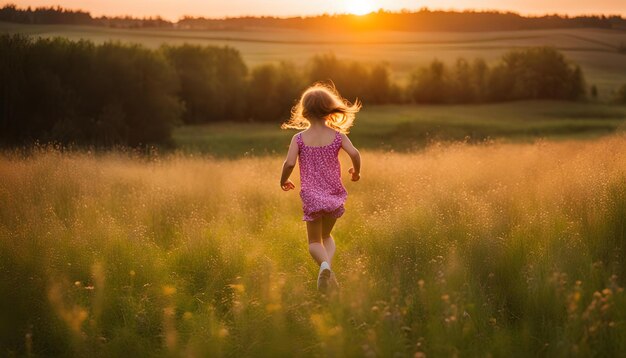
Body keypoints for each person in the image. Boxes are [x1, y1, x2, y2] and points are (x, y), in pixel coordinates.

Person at [279, 82, 362, 292]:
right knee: (327, 237)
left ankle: (325, 267)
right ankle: (328, 270)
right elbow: (355, 154)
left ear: (305, 112)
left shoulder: (298, 139)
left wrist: (283, 180)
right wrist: (356, 171)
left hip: (312, 196)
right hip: (334, 194)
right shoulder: (337, 136)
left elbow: (289, 163)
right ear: (329, 110)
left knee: (314, 242)